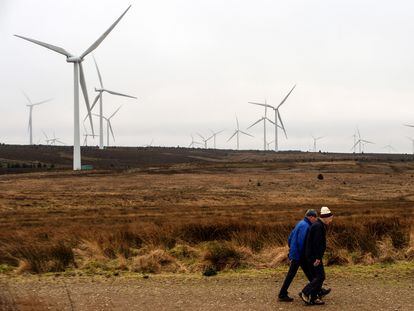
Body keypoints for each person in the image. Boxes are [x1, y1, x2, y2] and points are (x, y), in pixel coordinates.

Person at [278, 209, 318, 302]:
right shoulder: (306, 226)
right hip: (299, 255)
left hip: (296, 253)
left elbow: (290, 238)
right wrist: (305, 254)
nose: (316, 220)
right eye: (315, 218)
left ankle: (318, 289)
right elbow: (302, 242)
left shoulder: (300, 223)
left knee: (308, 272)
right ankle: (282, 294)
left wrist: (291, 249)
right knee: (292, 274)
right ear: (311, 217)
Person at [300, 206, 334, 305]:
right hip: (314, 257)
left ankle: (313, 298)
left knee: (317, 276)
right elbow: (316, 244)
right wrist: (318, 258)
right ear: (326, 217)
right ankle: (305, 292)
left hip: (312, 256)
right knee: (320, 276)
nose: (331, 221)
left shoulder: (318, 225)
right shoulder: (318, 227)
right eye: (330, 219)